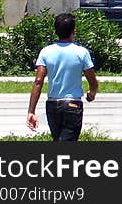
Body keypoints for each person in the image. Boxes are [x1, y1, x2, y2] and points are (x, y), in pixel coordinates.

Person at [27, 12, 98, 141]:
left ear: (56, 31)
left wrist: (31, 111)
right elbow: (92, 80)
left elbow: (38, 81)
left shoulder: (46, 52)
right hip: (73, 104)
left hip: (52, 105)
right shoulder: (81, 53)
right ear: (74, 31)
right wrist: (92, 93)